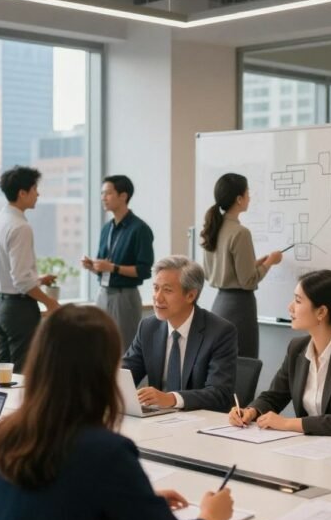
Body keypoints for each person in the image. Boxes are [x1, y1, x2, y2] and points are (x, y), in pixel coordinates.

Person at [0, 305, 233, 520]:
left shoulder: (6, 434)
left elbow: (49, 498)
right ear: (103, 373)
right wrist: (209, 518)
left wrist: (134, 497)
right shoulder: (105, 453)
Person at [228, 270, 331, 438]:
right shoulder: (297, 348)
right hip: (311, 446)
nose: (290, 307)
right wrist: (251, 411)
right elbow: (274, 397)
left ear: (321, 312)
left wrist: (286, 423)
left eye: (298, 301)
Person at [122, 256, 236, 412]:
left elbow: (219, 394)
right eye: (156, 288)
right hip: (158, 420)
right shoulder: (148, 327)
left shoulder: (220, 331)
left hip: (200, 421)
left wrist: (171, 399)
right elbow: (126, 373)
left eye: (167, 290)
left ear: (190, 295)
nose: (158, 297)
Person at [0, 166, 61, 367]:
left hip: (1, 308)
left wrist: (3, 298)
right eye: (34, 189)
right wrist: (49, 303)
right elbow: (22, 280)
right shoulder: (20, 227)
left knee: (4, 370)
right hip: (20, 309)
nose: (38, 194)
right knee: (23, 371)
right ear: (22, 193)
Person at [201, 173, 282, 358]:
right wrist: (271, 262)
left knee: (223, 364)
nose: (249, 198)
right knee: (243, 364)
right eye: (247, 193)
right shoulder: (240, 232)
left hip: (220, 305)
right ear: (239, 199)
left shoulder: (213, 227)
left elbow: (216, 270)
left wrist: (254, 263)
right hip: (240, 308)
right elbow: (248, 281)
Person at [82, 175, 154, 352]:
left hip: (124, 296)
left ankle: (127, 381)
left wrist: (112, 268)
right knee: (100, 347)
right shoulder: (107, 228)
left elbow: (144, 270)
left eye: (108, 193)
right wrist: (94, 267)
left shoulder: (140, 229)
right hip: (103, 293)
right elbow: (105, 266)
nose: (103, 198)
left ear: (123, 196)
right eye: (101, 194)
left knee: (125, 348)